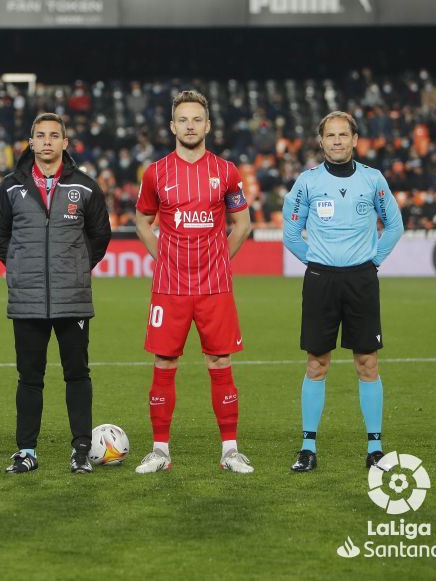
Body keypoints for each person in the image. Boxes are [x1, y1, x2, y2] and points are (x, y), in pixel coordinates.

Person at [133, 90, 254, 475]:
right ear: (172, 126)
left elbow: (242, 224)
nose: (190, 126)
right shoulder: (155, 173)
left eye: (196, 119)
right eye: (183, 120)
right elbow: (141, 219)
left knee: (220, 360)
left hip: (214, 286)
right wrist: (162, 256)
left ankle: (230, 450)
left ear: (208, 125)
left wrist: (219, 258)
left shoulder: (226, 171)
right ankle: (160, 450)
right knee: (164, 361)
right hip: (169, 287)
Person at [0, 112, 111, 474]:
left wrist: (75, 267)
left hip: (71, 297)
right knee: (29, 376)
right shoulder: (11, 186)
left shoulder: (86, 187)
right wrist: (21, 264)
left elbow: (99, 236)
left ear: (64, 143)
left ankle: (80, 450)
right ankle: (26, 451)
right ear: (31, 143)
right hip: (27, 298)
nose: (46, 141)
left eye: (53, 135)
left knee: (77, 373)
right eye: (39, 136)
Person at [283, 111, 403, 472]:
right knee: (316, 362)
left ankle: (375, 449)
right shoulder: (306, 183)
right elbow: (291, 233)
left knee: (367, 362)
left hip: (361, 280)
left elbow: (394, 225)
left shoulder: (373, 180)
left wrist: (373, 261)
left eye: (343, 135)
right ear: (321, 141)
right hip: (321, 281)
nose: (336, 141)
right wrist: (317, 262)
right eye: (330, 135)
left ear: (354, 139)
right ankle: (308, 448)